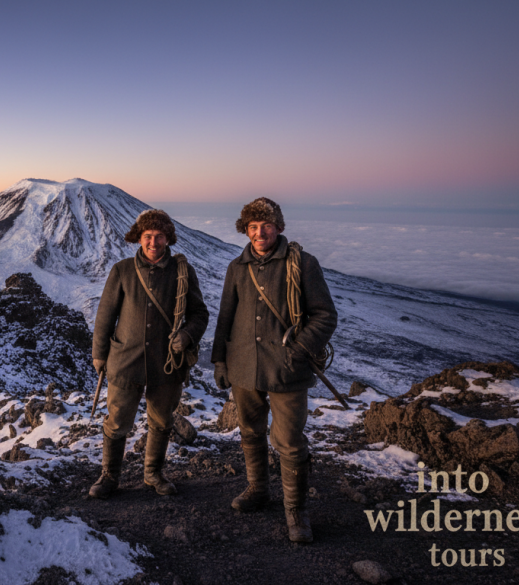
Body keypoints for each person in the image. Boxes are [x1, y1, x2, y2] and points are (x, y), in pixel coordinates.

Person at [211, 197, 337, 543]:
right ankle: (258, 490)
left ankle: (296, 511)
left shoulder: (302, 264)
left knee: (289, 442)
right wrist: (220, 361)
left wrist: (298, 350)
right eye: (252, 227)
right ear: (245, 230)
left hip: (287, 371)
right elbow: (226, 317)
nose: (259, 233)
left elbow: (325, 315)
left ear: (279, 227)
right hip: (244, 367)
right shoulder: (237, 267)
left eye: (266, 225)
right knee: (250, 431)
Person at [90, 210, 209, 499]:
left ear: (168, 238)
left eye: (158, 236)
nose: (153, 242)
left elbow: (199, 313)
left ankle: (153, 474)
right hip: (124, 360)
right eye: (147, 237)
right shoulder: (122, 270)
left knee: (161, 420)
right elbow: (105, 316)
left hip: (166, 363)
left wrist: (187, 334)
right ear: (139, 238)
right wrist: (99, 354)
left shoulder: (182, 271)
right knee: (117, 420)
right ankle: (109, 476)